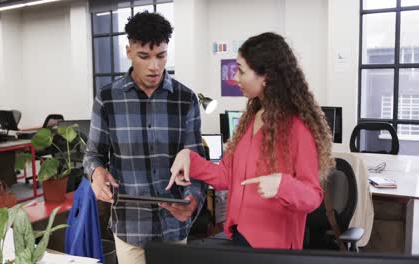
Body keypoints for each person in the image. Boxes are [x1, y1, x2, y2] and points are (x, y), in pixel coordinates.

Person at [166, 32, 335, 249]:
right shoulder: (250, 119)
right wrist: (189, 157)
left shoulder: (298, 128)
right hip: (239, 236)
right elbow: (226, 176)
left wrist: (283, 185)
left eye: (241, 71)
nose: (235, 78)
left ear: (266, 78)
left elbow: (313, 196)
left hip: (274, 248)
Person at [83, 11, 207, 264]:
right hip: (130, 226)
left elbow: (197, 163)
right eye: (144, 56)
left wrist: (193, 200)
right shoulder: (107, 99)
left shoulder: (185, 99)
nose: (154, 66)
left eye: (161, 56)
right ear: (129, 52)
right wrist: (96, 173)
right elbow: (93, 155)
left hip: (173, 225)